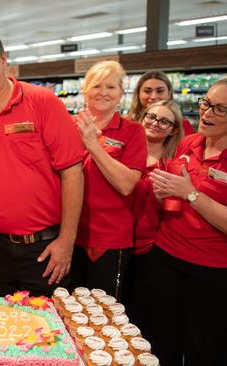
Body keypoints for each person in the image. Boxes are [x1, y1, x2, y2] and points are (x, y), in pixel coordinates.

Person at [0, 29, 84, 297]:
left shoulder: (43, 103)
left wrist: (67, 241)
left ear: (4, 59)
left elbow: (72, 172)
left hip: (44, 249)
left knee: (47, 334)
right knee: (2, 330)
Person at [148, 77, 227, 366]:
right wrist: (161, 194)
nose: (207, 113)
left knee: (207, 352)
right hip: (166, 259)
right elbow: (171, 203)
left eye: (221, 109)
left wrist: (190, 194)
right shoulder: (189, 143)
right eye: (206, 104)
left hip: (216, 274)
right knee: (161, 345)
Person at [70, 61, 147, 299]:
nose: (103, 92)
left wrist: (93, 145)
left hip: (109, 241)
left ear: (121, 93)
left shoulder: (132, 131)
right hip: (69, 236)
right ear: (85, 90)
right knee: (67, 307)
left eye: (111, 87)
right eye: (96, 86)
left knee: (103, 312)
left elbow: (126, 184)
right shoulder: (66, 126)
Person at [126, 100, 184, 337]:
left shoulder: (173, 164)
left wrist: (163, 198)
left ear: (173, 130)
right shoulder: (126, 152)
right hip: (116, 240)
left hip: (149, 248)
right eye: (151, 116)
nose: (155, 123)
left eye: (164, 121)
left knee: (141, 312)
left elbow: (174, 210)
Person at [126, 70, 195, 136]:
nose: (153, 96)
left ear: (169, 93)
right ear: (138, 93)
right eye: (147, 91)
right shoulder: (125, 123)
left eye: (160, 91)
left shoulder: (182, 125)